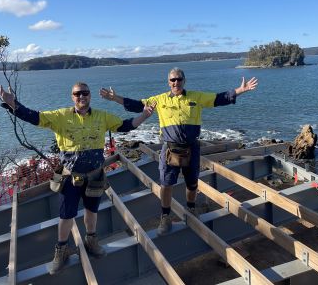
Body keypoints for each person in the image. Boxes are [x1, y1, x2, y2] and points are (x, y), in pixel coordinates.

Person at [0, 82, 155, 274]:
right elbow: (33, 117)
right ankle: (61, 250)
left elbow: (124, 126)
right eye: (77, 94)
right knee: (66, 216)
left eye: (85, 93)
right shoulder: (60, 116)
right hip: (70, 177)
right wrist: (13, 104)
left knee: (92, 211)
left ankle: (91, 241)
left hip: (95, 176)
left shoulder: (102, 116)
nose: (81, 96)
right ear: (72, 97)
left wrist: (144, 116)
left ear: (90, 96)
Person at [99, 68, 258, 236]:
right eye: (172, 80)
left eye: (179, 79)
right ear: (169, 82)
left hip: (191, 148)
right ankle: (165, 216)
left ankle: (191, 209)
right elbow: (138, 105)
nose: (176, 83)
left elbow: (218, 99)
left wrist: (241, 90)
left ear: (184, 80)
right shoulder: (159, 100)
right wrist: (115, 98)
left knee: (192, 183)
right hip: (169, 149)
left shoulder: (196, 97)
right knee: (166, 184)